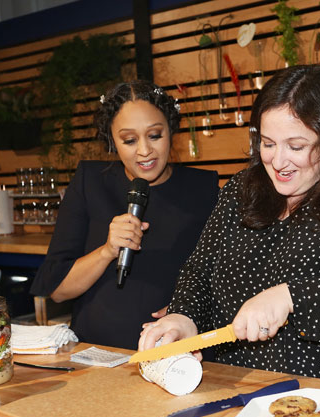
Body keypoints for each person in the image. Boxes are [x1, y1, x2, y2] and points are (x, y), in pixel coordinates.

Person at [138, 65, 320, 390]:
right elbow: (200, 270)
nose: (279, 162)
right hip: (243, 387)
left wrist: (291, 297)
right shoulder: (242, 189)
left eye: (296, 147)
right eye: (268, 144)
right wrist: (184, 316)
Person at [30, 80, 220, 349]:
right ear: (112, 140)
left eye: (155, 135)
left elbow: (228, 280)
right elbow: (57, 291)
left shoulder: (203, 190)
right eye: (129, 140)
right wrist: (107, 251)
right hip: (97, 353)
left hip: (175, 353)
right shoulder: (89, 183)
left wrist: (190, 309)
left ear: (171, 130)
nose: (144, 150)